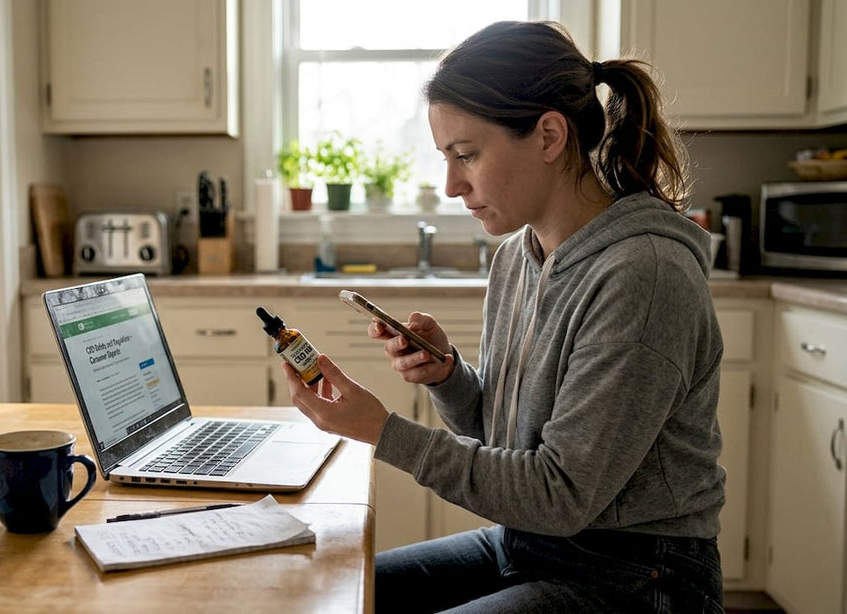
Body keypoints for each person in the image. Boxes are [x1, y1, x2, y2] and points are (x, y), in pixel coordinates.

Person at [281, 20, 725, 613]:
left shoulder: (644, 274)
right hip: (532, 544)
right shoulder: (519, 256)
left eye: (466, 154)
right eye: (446, 157)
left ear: (548, 135)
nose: (450, 185)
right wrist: (450, 379)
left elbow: (559, 493)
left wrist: (384, 433)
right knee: (327, 596)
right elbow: (505, 445)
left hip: (638, 575)